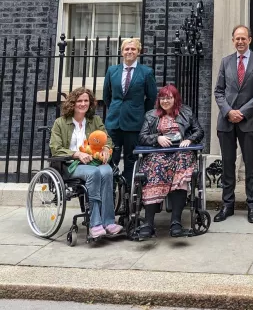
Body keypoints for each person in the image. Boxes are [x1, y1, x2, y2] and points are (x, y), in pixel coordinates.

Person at [50, 87, 123, 238]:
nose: (83, 104)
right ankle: (95, 223)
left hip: (93, 162)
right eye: (79, 101)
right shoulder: (60, 123)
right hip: (71, 164)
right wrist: (76, 154)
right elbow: (55, 149)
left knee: (108, 171)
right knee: (95, 173)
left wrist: (106, 149)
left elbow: (107, 139)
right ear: (72, 103)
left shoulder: (94, 120)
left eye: (86, 101)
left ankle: (109, 221)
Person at [213, 25, 253, 224]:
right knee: (227, 164)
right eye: (237, 38)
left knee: (251, 165)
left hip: (248, 121)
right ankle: (227, 204)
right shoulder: (226, 61)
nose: (240, 42)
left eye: (243, 38)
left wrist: (242, 112)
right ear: (232, 40)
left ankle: (252, 205)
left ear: (250, 40)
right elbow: (218, 91)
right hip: (226, 121)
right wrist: (228, 111)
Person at [136, 85, 204, 238]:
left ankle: (176, 222)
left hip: (181, 152)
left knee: (181, 165)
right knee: (156, 167)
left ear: (175, 98)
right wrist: (157, 138)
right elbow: (142, 137)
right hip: (158, 152)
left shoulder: (186, 112)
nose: (165, 101)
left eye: (169, 97)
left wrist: (189, 139)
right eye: (162, 97)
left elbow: (199, 130)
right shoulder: (151, 115)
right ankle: (148, 223)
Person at [103, 38, 157, 189]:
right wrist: (115, 109)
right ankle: (111, 191)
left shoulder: (146, 72)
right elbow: (106, 96)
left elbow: (152, 97)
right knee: (109, 157)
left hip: (134, 123)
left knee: (131, 158)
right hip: (114, 122)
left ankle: (127, 192)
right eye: (126, 49)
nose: (129, 52)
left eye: (133, 49)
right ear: (122, 52)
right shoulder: (112, 71)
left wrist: (140, 113)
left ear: (138, 52)